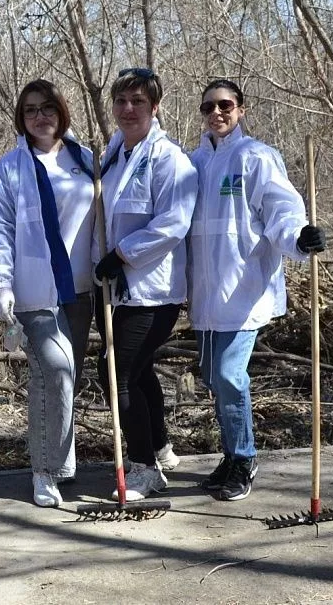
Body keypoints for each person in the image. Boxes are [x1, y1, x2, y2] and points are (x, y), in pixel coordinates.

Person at [187, 79, 327, 502]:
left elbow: (281, 211)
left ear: (241, 109)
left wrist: (300, 237)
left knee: (229, 376)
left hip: (244, 291)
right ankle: (230, 455)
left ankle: (245, 458)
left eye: (225, 105)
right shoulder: (193, 163)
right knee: (214, 378)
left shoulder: (256, 158)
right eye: (208, 106)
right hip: (205, 296)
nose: (217, 113)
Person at [0, 80, 96, 507]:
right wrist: (2, 284)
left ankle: (63, 462)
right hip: (35, 292)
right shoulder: (10, 169)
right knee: (53, 371)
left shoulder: (85, 159)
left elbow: (101, 220)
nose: (40, 116)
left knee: (68, 376)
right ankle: (44, 470)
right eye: (30, 110)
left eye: (47, 108)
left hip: (82, 291)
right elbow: (0, 232)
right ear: (21, 117)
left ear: (61, 111)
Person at [90, 68, 197, 502]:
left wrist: (121, 255)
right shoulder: (114, 153)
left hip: (151, 289)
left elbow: (173, 224)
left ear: (155, 108)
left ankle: (144, 468)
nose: (128, 109)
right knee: (138, 369)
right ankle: (159, 445)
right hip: (112, 287)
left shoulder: (170, 160)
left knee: (115, 372)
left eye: (138, 101)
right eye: (121, 101)